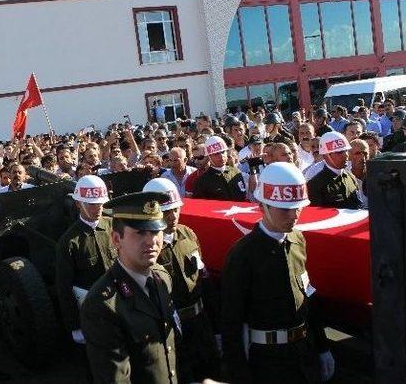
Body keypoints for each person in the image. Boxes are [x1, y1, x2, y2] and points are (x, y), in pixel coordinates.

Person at [221, 162, 333, 383]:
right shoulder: (242, 255)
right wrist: (240, 375)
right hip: (268, 363)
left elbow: (307, 296)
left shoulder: (298, 240)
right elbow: (232, 324)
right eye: (284, 209)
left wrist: (322, 347)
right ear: (262, 206)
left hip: (304, 354)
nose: (294, 215)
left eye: (298, 207)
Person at [80, 191, 179, 384]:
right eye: (140, 232)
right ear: (116, 239)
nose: (151, 241)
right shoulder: (102, 305)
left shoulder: (162, 277)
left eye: (156, 231)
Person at [143, 178, 220, 382]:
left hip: (200, 323)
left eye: (176, 209)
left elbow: (202, 278)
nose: (173, 216)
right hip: (170, 330)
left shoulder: (188, 234)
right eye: (166, 211)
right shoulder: (145, 248)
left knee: (211, 372)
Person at [55, 175, 116, 345]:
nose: (98, 208)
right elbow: (65, 289)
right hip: (93, 312)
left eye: (101, 203)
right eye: (92, 204)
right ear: (78, 204)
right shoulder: (69, 242)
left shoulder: (114, 227)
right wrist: (75, 326)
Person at [307, 132, 362, 209]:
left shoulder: (351, 177)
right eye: (339, 152)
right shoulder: (315, 185)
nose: (346, 155)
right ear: (325, 156)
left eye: (346, 150)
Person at [191, 136, 246, 201]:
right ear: (209, 156)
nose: (221, 156)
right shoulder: (202, 181)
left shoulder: (236, 172)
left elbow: (243, 195)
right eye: (216, 154)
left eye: (223, 152)